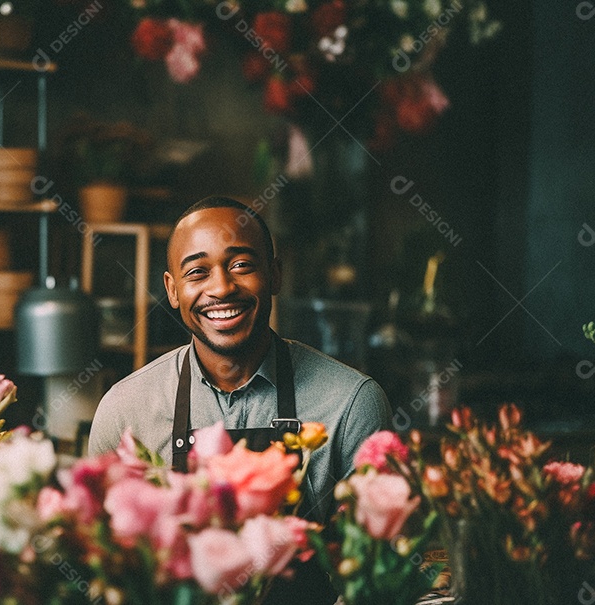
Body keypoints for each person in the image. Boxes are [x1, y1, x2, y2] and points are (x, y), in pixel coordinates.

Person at [89, 196, 391, 526]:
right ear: (172, 290)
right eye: (197, 272)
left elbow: (375, 564)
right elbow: (102, 560)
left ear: (274, 274)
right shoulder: (124, 411)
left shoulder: (351, 404)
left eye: (241, 266)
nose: (221, 287)